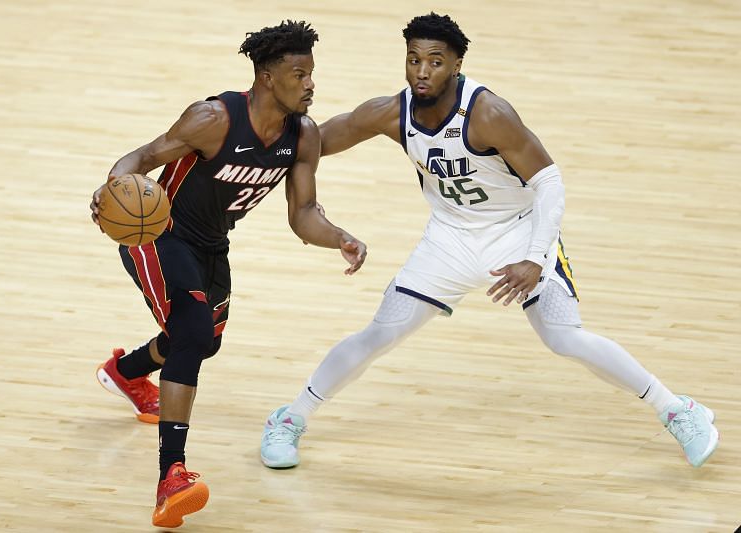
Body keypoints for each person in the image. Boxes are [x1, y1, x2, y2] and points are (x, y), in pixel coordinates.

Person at [260, 12, 719, 472]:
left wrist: (536, 258)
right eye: (414, 59)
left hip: (516, 231)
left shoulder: (488, 113)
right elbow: (312, 142)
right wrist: (257, 141)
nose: (422, 71)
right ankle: (290, 418)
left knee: (563, 337)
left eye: (435, 62)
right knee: (382, 332)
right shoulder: (390, 111)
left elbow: (551, 184)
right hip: (450, 237)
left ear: (457, 65)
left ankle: (679, 410)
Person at [89, 20, 367, 528]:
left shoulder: (301, 135)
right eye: (299, 74)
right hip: (160, 234)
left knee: (203, 340)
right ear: (266, 77)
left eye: (311, 74)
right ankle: (171, 476)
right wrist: (114, 187)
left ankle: (124, 372)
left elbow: (303, 213)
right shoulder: (213, 118)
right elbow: (145, 157)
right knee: (192, 334)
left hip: (213, 246)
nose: (310, 84)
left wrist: (339, 236)